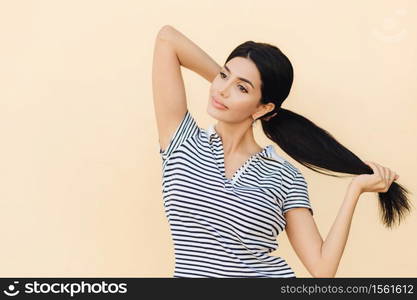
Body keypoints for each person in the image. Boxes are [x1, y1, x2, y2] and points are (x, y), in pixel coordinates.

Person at [152, 25, 412, 278]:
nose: (221, 89)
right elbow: (167, 39)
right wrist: (235, 87)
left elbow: (323, 269)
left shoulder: (284, 176)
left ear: (264, 108)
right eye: (223, 75)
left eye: (241, 88)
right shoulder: (182, 141)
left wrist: (354, 190)